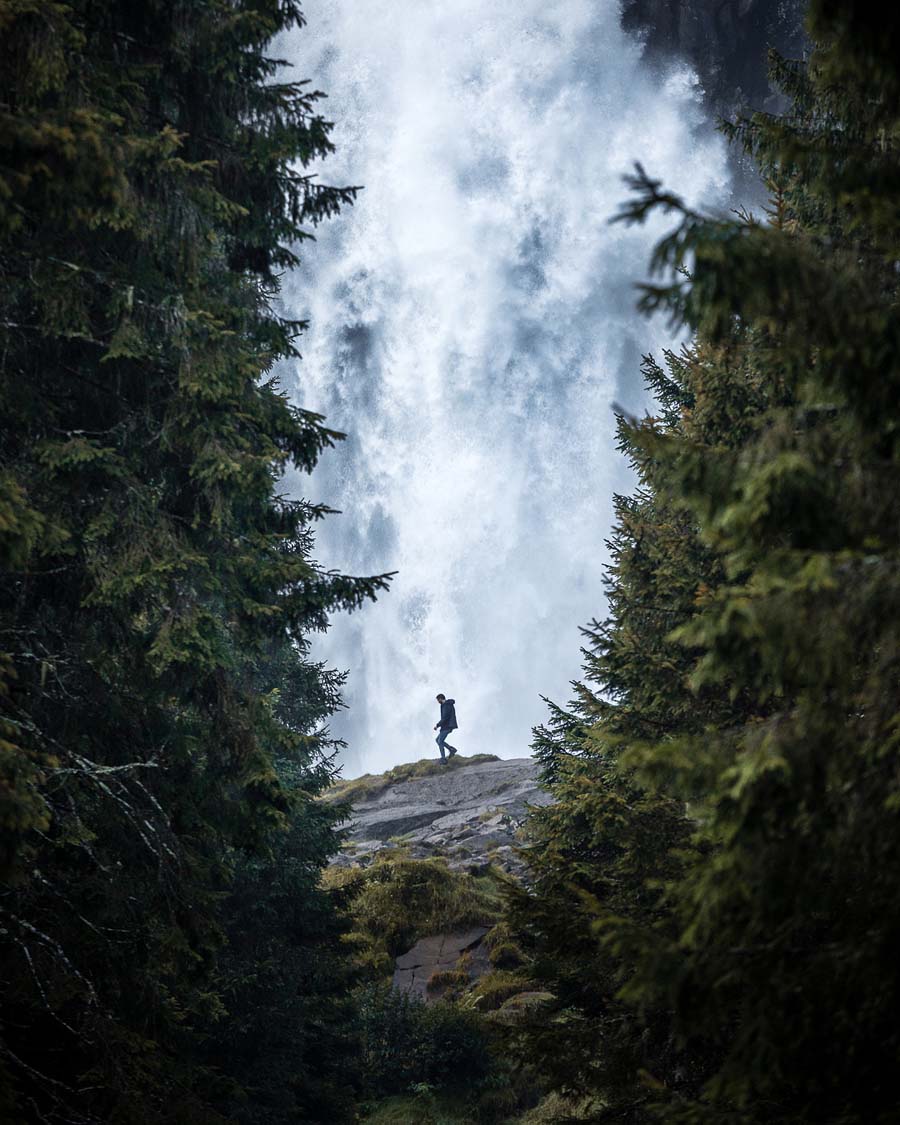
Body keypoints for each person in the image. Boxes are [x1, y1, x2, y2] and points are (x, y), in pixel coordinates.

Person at [433, 693, 459, 762]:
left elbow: (445, 718)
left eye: (438, 700)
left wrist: (437, 725)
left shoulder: (446, 705)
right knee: (437, 740)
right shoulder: (445, 705)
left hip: (447, 726)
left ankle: (443, 759)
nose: (438, 702)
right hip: (447, 726)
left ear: (441, 699)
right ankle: (451, 749)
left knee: (440, 741)